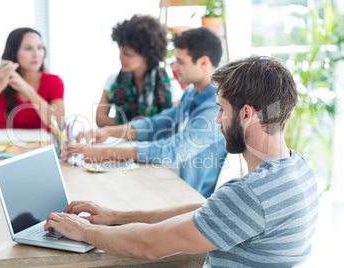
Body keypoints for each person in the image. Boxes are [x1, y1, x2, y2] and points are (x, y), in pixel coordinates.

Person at [46, 56, 318, 267]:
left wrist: (83, 230)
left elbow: (148, 246)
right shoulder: (299, 167)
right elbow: (212, 210)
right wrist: (116, 217)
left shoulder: (251, 194)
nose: (216, 120)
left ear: (246, 114)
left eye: (221, 110)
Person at [65, 27, 227, 198]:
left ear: (203, 62)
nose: (175, 67)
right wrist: (107, 131)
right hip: (168, 178)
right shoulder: (192, 93)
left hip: (187, 195)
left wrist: (104, 152)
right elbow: (157, 123)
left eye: (181, 62)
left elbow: (174, 149)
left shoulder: (217, 107)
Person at [0, 27, 65, 130]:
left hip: (44, 145)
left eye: (39, 48)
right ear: (14, 53)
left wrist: (28, 90)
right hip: (8, 145)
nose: (36, 54)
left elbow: (60, 124)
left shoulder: (54, 82)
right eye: (28, 49)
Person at [96, 15, 181, 127]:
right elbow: (100, 120)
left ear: (146, 55)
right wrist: (143, 124)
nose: (120, 57)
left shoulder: (170, 86)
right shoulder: (113, 80)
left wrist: (128, 125)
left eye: (127, 54)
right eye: (120, 51)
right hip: (119, 143)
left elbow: (173, 124)